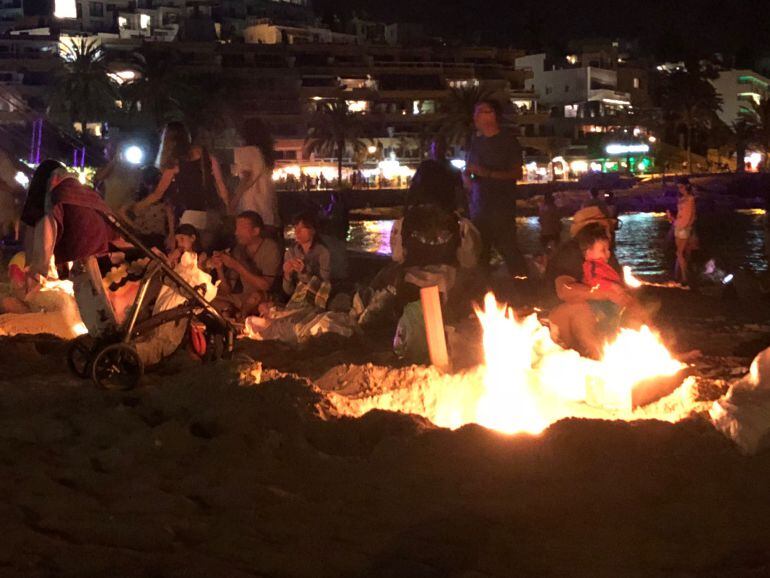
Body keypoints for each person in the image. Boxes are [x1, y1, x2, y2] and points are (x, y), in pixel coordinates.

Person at [22, 161, 120, 338]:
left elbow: (47, 234)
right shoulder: (85, 192)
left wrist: (38, 266)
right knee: (99, 298)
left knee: (90, 301)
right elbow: (111, 220)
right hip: (104, 250)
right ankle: (108, 334)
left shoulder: (57, 195)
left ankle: (105, 338)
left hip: (84, 254)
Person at [544, 217, 646, 359]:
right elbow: (565, 291)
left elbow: (620, 289)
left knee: (634, 309)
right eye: (603, 225)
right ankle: (596, 356)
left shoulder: (605, 255)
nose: (610, 230)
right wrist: (607, 294)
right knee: (581, 309)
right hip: (559, 319)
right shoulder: (570, 253)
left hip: (599, 312)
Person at [132, 122, 229, 250]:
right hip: (213, 215)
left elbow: (158, 194)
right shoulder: (208, 157)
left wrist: (135, 208)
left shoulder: (174, 164)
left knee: (188, 255)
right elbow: (221, 187)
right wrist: (228, 210)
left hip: (190, 216)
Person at [464, 99, 526, 275]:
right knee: (480, 254)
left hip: (501, 208)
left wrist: (487, 173)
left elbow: (517, 173)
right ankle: (482, 289)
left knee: (509, 250)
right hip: (479, 207)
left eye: (480, 111)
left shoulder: (508, 141)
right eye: (475, 112)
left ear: (492, 115)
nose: (475, 116)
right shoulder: (476, 142)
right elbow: (469, 169)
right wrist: (466, 177)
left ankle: (523, 286)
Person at [210, 211, 282, 319]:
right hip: (243, 297)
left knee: (256, 297)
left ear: (256, 231)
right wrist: (219, 268)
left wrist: (236, 265)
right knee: (208, 297)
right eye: (236, 228)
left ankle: (240, 315)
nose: (236, 233)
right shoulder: (239, 249)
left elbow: (265, 286)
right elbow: (227, 290)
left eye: (241, 229)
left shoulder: (270, 249)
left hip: (265, 298)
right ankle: (230, 311)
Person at [230, 118, 280, 231]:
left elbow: (246, 177)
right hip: (266, 201)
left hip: (252, 202)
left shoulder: (246, 151)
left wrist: (234, 200)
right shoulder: (264, 153)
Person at [119, 166, 173, 250]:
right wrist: (134, 226)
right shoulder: (139, 197)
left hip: (157, 236)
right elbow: (121, 211)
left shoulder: (161, 196)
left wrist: (171, 234)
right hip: (142, 236)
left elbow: (170, 214)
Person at [282, 211, 331, 297]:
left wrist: (304, 272)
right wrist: (287, 274)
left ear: (313, 230)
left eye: (302, 228)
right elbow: (288, 291)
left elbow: (324, 288)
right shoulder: (291, 252)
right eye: (295, 228)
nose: (297, 232)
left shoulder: (322, 252)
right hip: (296, 299)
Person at [667, 176, 697, 286]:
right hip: (678, 225)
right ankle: (681, 276)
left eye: (682, 187)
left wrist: (688, 226)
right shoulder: (681, 199)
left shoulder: (690, 198)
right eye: (679, 187)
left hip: (684, 227)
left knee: (680, 253)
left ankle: (684, 277)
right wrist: (671, 218)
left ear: (686, 186)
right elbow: (680, 214)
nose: (680, 189)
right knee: (679, 253)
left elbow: (693, 215)